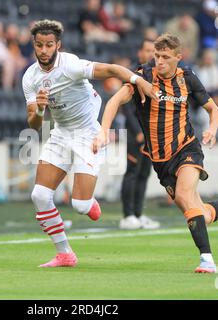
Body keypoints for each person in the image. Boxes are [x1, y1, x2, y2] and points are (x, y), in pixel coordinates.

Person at [92, 33, 218, 273]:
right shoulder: (143, 77)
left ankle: (207, 260)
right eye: (157, 56)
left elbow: (214, 110)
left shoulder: (187, 78)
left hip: (187, 148)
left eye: (165, 57)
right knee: (201, 214)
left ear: (179, 57)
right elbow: (115, 101)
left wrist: (212, 129)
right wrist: (104, 131)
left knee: (183, 195)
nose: (159, 61)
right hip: (160, 160)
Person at [22, 19, 156, 268]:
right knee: (39, 195)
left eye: (49, 45)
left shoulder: (71, 65)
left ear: (57, 46)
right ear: (34, 45)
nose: (43, 50)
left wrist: (139, 82)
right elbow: (34, 125)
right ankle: (65, 254)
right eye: (39, 45)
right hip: (60, 133)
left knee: (81, 206)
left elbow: (114, 69)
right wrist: (40, 110)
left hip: (88, 133)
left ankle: (88, 202)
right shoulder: (30, 77)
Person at [120, 39, 160, 230]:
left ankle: (138, 214)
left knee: (144, 173)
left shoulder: (157, 77)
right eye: (147, 50)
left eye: (154, 51)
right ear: (140, 53)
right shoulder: (131, 76)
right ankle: (127, 216)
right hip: (135, 134)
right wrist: (137, 132)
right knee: (132, 173)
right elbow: (127, 108)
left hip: (150, 134)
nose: (151, 54)